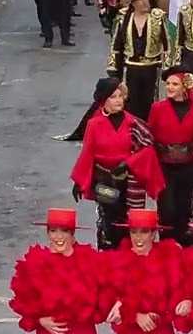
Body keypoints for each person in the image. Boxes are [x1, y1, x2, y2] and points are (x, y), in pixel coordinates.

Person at [69, 77, 164, 251]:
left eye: (121, 96)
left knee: (132, 221)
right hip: (105, 179)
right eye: (113, 97)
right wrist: (79, 181)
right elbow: (87, 153)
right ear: (104, 101)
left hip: (130, 179)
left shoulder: (132, 122)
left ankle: (131, 255)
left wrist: (129, 163)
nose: (118, 100)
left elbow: (148, 146)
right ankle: (110, 256)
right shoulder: (94, 124)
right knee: (110, 220)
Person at [148, 66, 193, 248]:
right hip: (164, 166)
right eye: (167, 84)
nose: (169, 87)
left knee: (184, 208)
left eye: (174, 84)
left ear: (185, 86)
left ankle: (185, 247)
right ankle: (167, 246)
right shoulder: (157, 108)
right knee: (167, 209)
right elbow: (149, 135)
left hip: (188, 166)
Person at [106, 0, 169, 117]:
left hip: (152, 67)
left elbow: (167, 45)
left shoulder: (158, 17)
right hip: (131, 67)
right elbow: (116, 46)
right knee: (132, 101)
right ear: (133, 3)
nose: (144, 2)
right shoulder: (123, 18)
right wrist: (114, 69)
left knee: (150, 101)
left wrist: (168, 69)